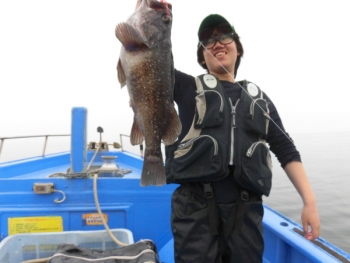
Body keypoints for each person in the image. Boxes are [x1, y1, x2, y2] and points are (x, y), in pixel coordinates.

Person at [165, 14, 321, 263]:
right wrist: (153, 17)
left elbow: (285, 149)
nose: (217, 42)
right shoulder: (185, 87)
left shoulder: (259, 100)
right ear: (201, 55)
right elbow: (146, 57)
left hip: (246, 212)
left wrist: (309, 201)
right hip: (193, 210)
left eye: (224, 36)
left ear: (238, 48)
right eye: (208, 39)